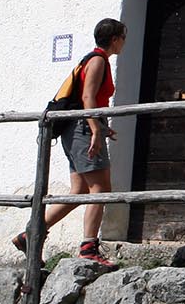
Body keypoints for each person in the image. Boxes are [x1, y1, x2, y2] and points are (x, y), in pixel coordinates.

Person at [16, 18, 126, 267]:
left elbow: (88, 99)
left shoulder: (94, 59)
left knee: (79, 191)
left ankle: (30, 234)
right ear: (115, 39)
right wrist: (96, 130)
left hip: (78, 128)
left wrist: (102, 127)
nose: (124, 43)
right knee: (100, 190)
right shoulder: (98, 60)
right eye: (123, 38)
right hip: (83, 130)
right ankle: (89, 248)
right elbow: (87, 96)